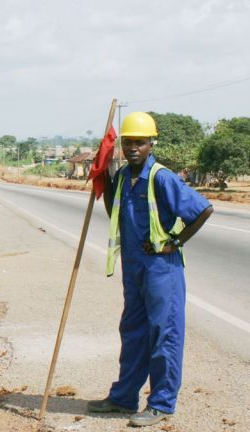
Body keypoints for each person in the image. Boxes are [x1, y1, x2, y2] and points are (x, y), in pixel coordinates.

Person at [87, 111, 213, 427]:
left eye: (139, 143)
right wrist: (103, 176)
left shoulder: (161, 177)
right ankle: (123, 398)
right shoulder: (122, 179)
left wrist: (176, 241)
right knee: (133, 333)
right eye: (128, 142)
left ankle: (161, 404)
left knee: (164, 335)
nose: (132, 148)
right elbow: (114, 209)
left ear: (150, 144)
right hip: (134, 268)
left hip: (161, 270)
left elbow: (203, 209)